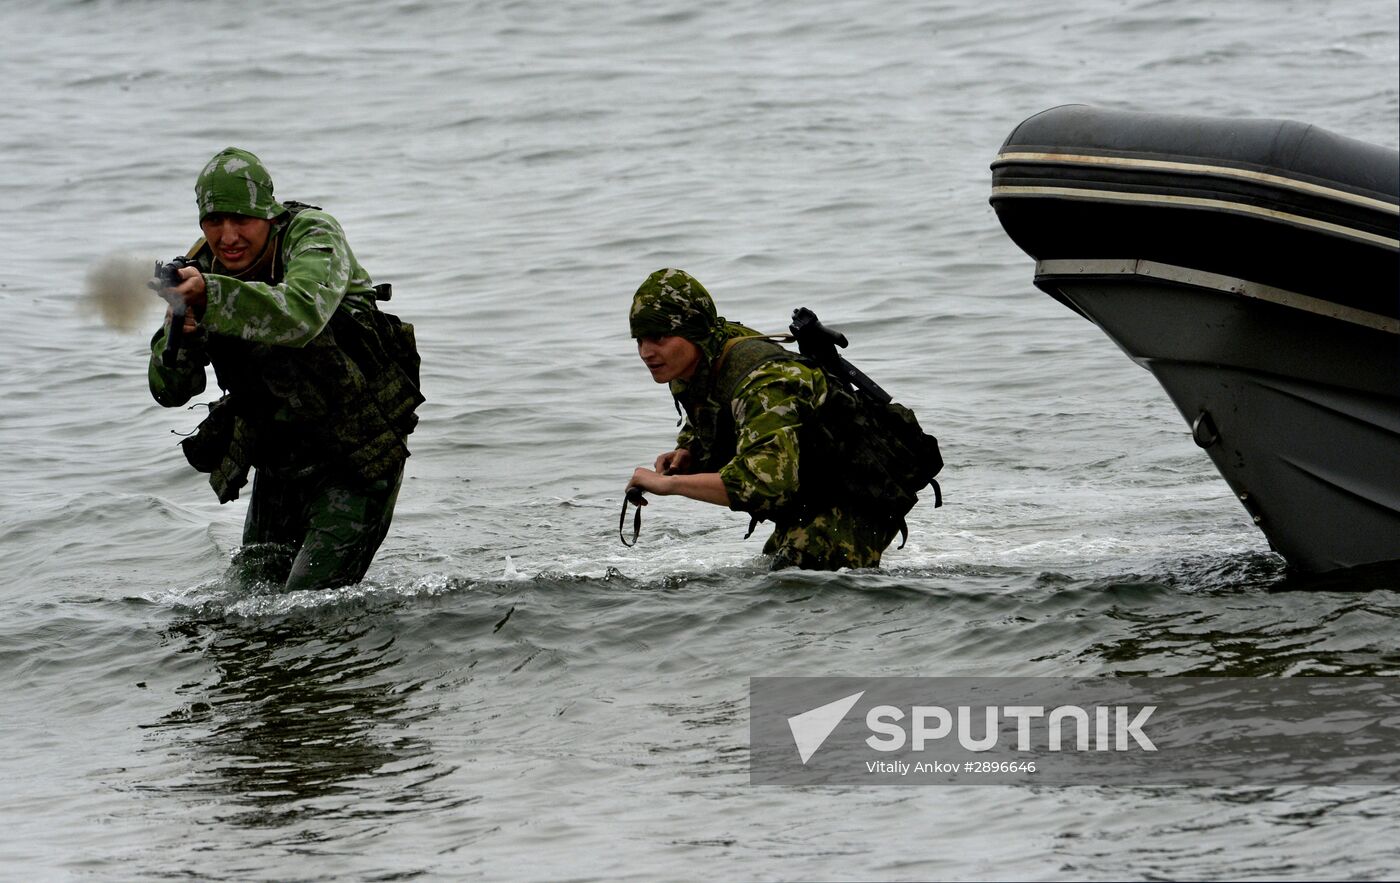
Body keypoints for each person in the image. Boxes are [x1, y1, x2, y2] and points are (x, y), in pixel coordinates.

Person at [148, 147, 423, 592]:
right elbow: (170, 390)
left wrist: (211, 299)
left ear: (269, 217)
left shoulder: (312, 236)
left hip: (355, 456)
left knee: (309, 605)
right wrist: (183, 332)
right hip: (280, 465)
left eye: (242, 219)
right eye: (215, 221)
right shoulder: (199, 272)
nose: (229, 236)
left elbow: (301, 315)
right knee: (244, 603)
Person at [625, 268, 920, 570]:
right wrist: (689, 451)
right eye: (639, 340)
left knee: (800, 579)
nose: (646, 352)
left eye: (659, 337)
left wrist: (670, 486)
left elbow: (765, 486)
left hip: (860, 493)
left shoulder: (762, 381)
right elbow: (715, 413)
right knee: (775, 576)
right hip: (810, 492)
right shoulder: (692, 366)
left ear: (694, 331)